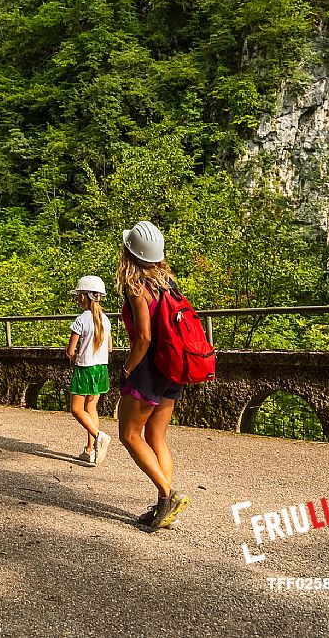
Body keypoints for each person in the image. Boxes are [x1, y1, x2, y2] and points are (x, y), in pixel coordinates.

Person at [116, 221, 190, 530]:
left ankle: (168, 494)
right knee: (156, 437)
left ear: (129, 253)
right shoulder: (168, 282)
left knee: (129, 435)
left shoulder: (136, 287)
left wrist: (127, 368)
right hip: (174, 366)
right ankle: (163, 507)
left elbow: (143, 338)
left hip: (149, 369)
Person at [66, 275, 113, 466]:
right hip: (101, 369)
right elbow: (109, 348)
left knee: (76, 409)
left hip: (85, 368)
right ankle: (90, 450)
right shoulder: (106, 320)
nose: (78, 298)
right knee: (91, 408)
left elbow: (71, 350)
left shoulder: (81, 320)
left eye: (79, 294)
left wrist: (72, 354)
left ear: (85, 296)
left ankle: (99, 436)